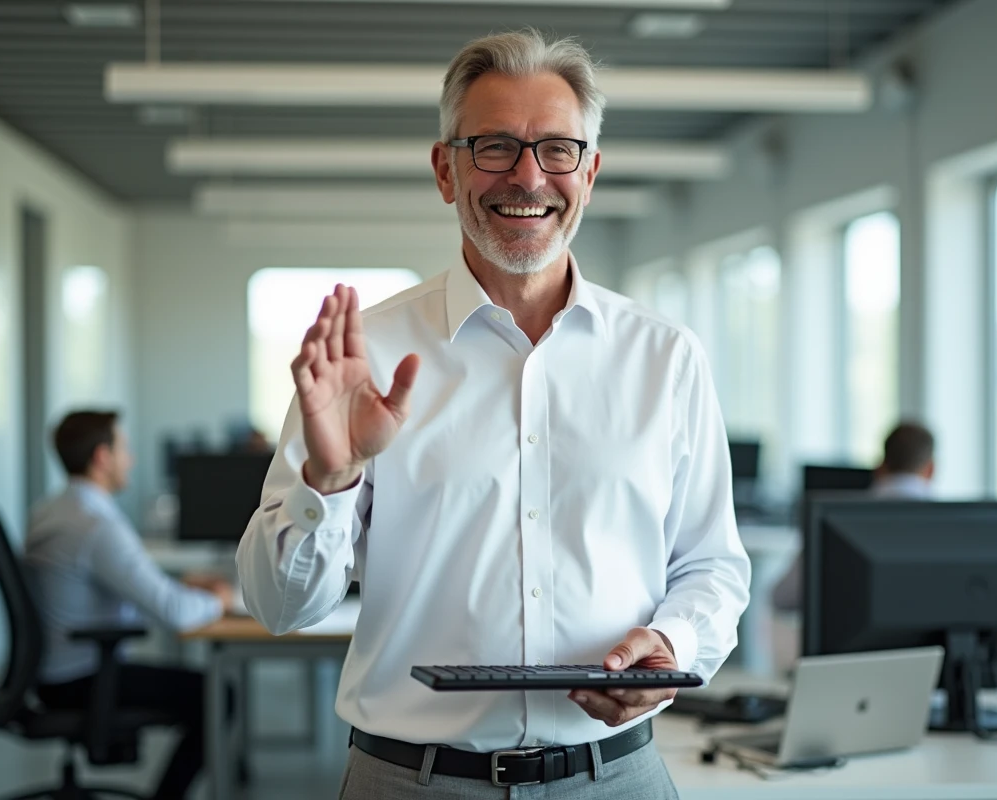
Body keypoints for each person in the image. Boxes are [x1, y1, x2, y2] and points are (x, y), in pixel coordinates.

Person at [236, 29, 751, 799]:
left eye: (556, 149)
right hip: (411, 781)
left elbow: (713, 567)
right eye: (495, 147)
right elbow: (280, 608)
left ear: (591, 171)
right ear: (446, 170)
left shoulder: (665, 358)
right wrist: (331, 477)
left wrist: (671, 646)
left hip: (616, 776)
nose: (528, 176)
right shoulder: (364, 356)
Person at [24, 410, 232, 800]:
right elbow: (175, 614)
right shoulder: (94, 525)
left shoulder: (54, 509)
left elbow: (121, 582)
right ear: (102, 457)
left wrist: (179, 584)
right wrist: (219, 600)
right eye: (124, 449)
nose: (131, 459)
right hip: (83, 678)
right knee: (219, 694)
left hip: (54, 672)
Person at [772, 421, 936, 612]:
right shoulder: (950, 526)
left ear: (879, 468)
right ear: (931, 469)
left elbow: (783, 597)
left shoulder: (834, 520)